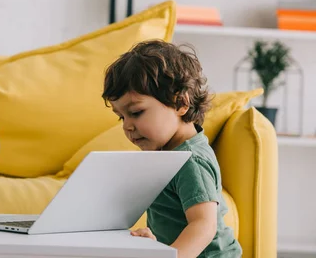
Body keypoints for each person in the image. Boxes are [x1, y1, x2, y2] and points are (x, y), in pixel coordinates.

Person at [102, 40, 242, 258]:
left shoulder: (190, 160)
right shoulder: (167, 153)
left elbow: (203, 225)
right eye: (121, 117)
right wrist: (157, 247)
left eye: (136, 112)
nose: (127, 126)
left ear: (180, 103)